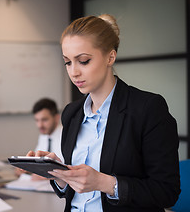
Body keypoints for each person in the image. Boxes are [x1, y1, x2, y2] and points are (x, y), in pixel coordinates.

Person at [26, 14, 180, 211]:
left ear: (110, 57)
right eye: (68, 62)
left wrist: (103, 183)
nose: (74, 72)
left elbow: (166, 192)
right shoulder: (72, 113)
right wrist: (60, 174)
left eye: (83, 61)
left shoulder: (148, 109)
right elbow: (72, 193)